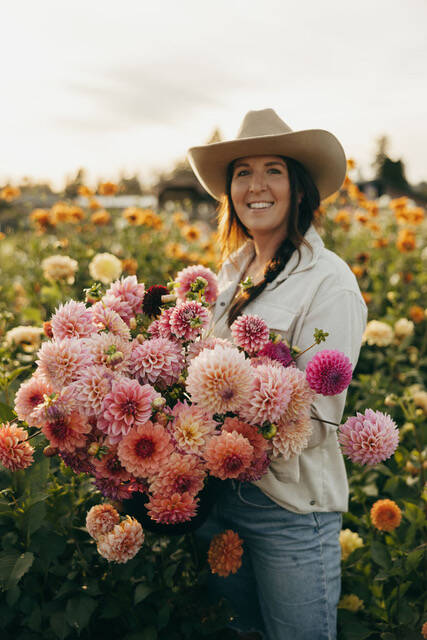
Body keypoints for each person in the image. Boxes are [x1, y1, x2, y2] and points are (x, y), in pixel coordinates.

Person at [187, 109, 368, 640]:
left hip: (289, 508)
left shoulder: (329, 282)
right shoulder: (232, 272)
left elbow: (316, 414)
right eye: (242, 171)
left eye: (273, 170)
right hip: (219, 499)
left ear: (299, 186)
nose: (256, 186)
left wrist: (229, 424)